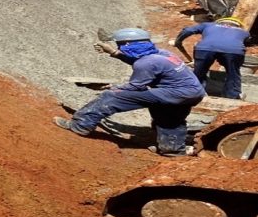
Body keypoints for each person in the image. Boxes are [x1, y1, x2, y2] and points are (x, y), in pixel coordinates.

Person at [53, 28, 206, 157]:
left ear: (127, 45)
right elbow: (143, 62)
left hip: (176, 93)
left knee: (111, 97)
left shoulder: (145, 63)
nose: (119, 47)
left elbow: (135, 87)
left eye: (119, 45)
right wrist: (113, 53)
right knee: (168, 116)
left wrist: (110, 87)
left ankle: (80, 125)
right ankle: (172, 149)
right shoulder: (162, 53)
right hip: (193, 93)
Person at [172, 17, 250, 99]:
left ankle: (195, 93)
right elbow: (243, 44)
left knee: (199, 72)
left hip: (205, 48)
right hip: (234, 50)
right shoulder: (244, 32)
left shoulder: (208, 25)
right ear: (238, 26)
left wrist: (178, 40)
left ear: (218, 22)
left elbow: (188, 30)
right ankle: (232, 96)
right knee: (233, 73)